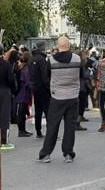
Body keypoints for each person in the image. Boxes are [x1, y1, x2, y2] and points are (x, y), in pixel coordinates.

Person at [38, 36, 81, 164]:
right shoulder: (77, 59)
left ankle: (45, 154)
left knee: (52, 126)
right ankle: (68, 154)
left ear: (58, 46)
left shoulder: (51, 61)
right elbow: (82, 75)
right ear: (69, 46)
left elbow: (46, 78)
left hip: (57, 97)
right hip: (73, 96)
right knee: (70, 126)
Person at [29, 41, 51, 138]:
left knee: (38, 111)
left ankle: (38, 131)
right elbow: (44, 76)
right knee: (47, 110)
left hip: (35, 87)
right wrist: (48, 87)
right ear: (42, 48)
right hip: (43, 88)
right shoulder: (42, 60)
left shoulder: (31, 59)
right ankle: (50, 132)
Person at [14, 51, 33, 137]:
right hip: (24, 92)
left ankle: (22, 130)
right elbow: (28, 81)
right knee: (22, 112)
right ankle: (21, 130)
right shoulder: (26, 68)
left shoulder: (22, 67)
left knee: (22, 111)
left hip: (22, 91)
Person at [76, 50, 91, 131]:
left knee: (80, 104)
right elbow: (84, 75)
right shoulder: (81, 64)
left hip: (78, 86)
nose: (86, 56)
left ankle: (77, 121)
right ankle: (77, 122)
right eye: (85, 55)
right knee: (81, 105)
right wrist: (89, 71)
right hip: (81, 86)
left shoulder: (78, 63)